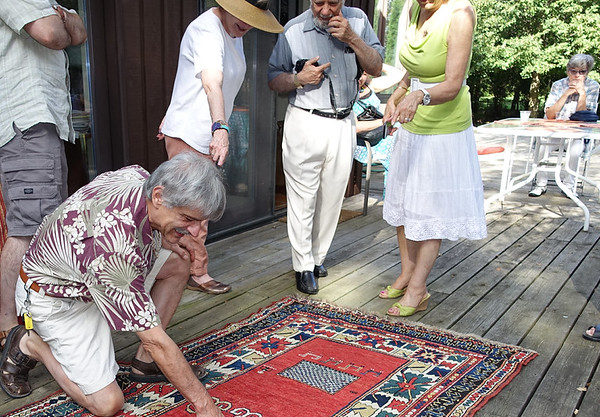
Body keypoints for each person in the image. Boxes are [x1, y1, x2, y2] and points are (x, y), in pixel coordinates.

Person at [0, 153, 243, 417]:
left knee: (179, 261)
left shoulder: (140, 178)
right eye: (187, 220)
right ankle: (31, 344)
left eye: (198, 222)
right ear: (159, 195)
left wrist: (173, 236)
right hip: (56, 299)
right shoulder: (114, 249)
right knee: (108, 403)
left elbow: (131, 232)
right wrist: (204, 406)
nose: (193, 230)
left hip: (92, 277)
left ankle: (143, 365)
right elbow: (155, 339)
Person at [0, 0, 87, 351]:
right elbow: (52, 34)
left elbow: (78, 33)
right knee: (30, 226)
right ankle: (9, 325)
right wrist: (59, 21)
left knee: (43, 223)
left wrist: (61, 19)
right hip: (23, 118)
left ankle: (33, 320)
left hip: (41, 117)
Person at [159, 0, 282, 295]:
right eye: (243, 16)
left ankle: (189, 270)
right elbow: (211, 81)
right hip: (192, 133)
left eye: (253, 19)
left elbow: (189, 79)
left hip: (205, 133)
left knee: (198, 210)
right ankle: (188, 272)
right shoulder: (207, 30)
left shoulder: (234, 33)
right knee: (187, 211)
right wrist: (220, 127)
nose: (247, 24)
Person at [267, 0, 384, 295]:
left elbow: (377, 67)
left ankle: (317, 258)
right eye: (318, 2)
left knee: (332, 198)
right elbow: (273, 79)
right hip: (306, 121)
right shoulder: (293, 31)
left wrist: (352, 39)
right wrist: (297, 79)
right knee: (302, 199)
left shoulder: (358, 22)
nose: (325, 10)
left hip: (344, 121)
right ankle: (303, 265)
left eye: (333, 2)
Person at [379, 0, 485, 316]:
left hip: (444, 128)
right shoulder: (413, 8)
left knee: (429, 210)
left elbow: (452, 84)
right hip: (411, 121)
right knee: (402, 204)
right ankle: (406, 273)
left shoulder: (460, 14)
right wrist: (396, 95)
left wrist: (418, 96)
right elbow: (413, 69)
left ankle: (419, 288)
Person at [528, 53, 599, 198]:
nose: (577, 75)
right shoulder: (558, 85)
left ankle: (568, 186)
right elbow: (550, 115)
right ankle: (540, 184)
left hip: (577, 132)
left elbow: (584, 117)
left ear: (587, 72)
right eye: (573, 71)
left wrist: (582, 95)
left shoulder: (593, 86)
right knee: (541, 146)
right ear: (568, 70)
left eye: (582, 72)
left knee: (576, 149)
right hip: (555, 130)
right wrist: (565, 95)